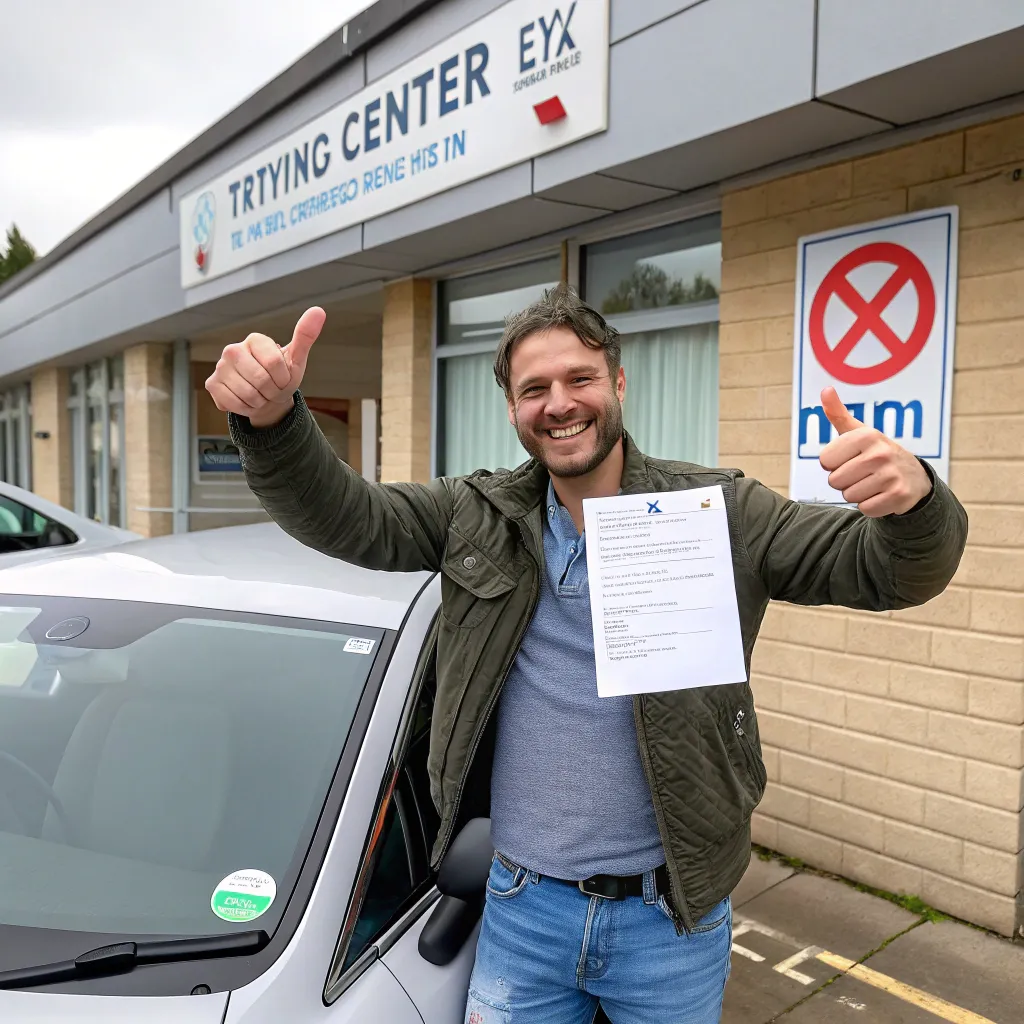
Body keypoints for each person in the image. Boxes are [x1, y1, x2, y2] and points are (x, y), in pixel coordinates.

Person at [208, 285, 967, 1024]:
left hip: (669, 920)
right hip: (520, 910)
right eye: (534, 388)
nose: (560, 403)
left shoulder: (716, 513)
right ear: (513, 409)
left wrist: (917, 505)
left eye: (580, 378)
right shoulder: (475, 516)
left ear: (619, 383)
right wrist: (274, 423)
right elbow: (349, 519)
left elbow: (887, 570)